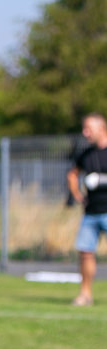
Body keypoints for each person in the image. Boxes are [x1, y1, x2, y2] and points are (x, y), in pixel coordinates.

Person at [66, 112, 107, 306]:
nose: (85, 133)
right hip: (91, 212)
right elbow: (72, 174)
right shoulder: (86, 154)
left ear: (101, 128)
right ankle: (85, 294)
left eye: (88, 129)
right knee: (85, 252)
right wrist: (77, 194)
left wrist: (101, 180)